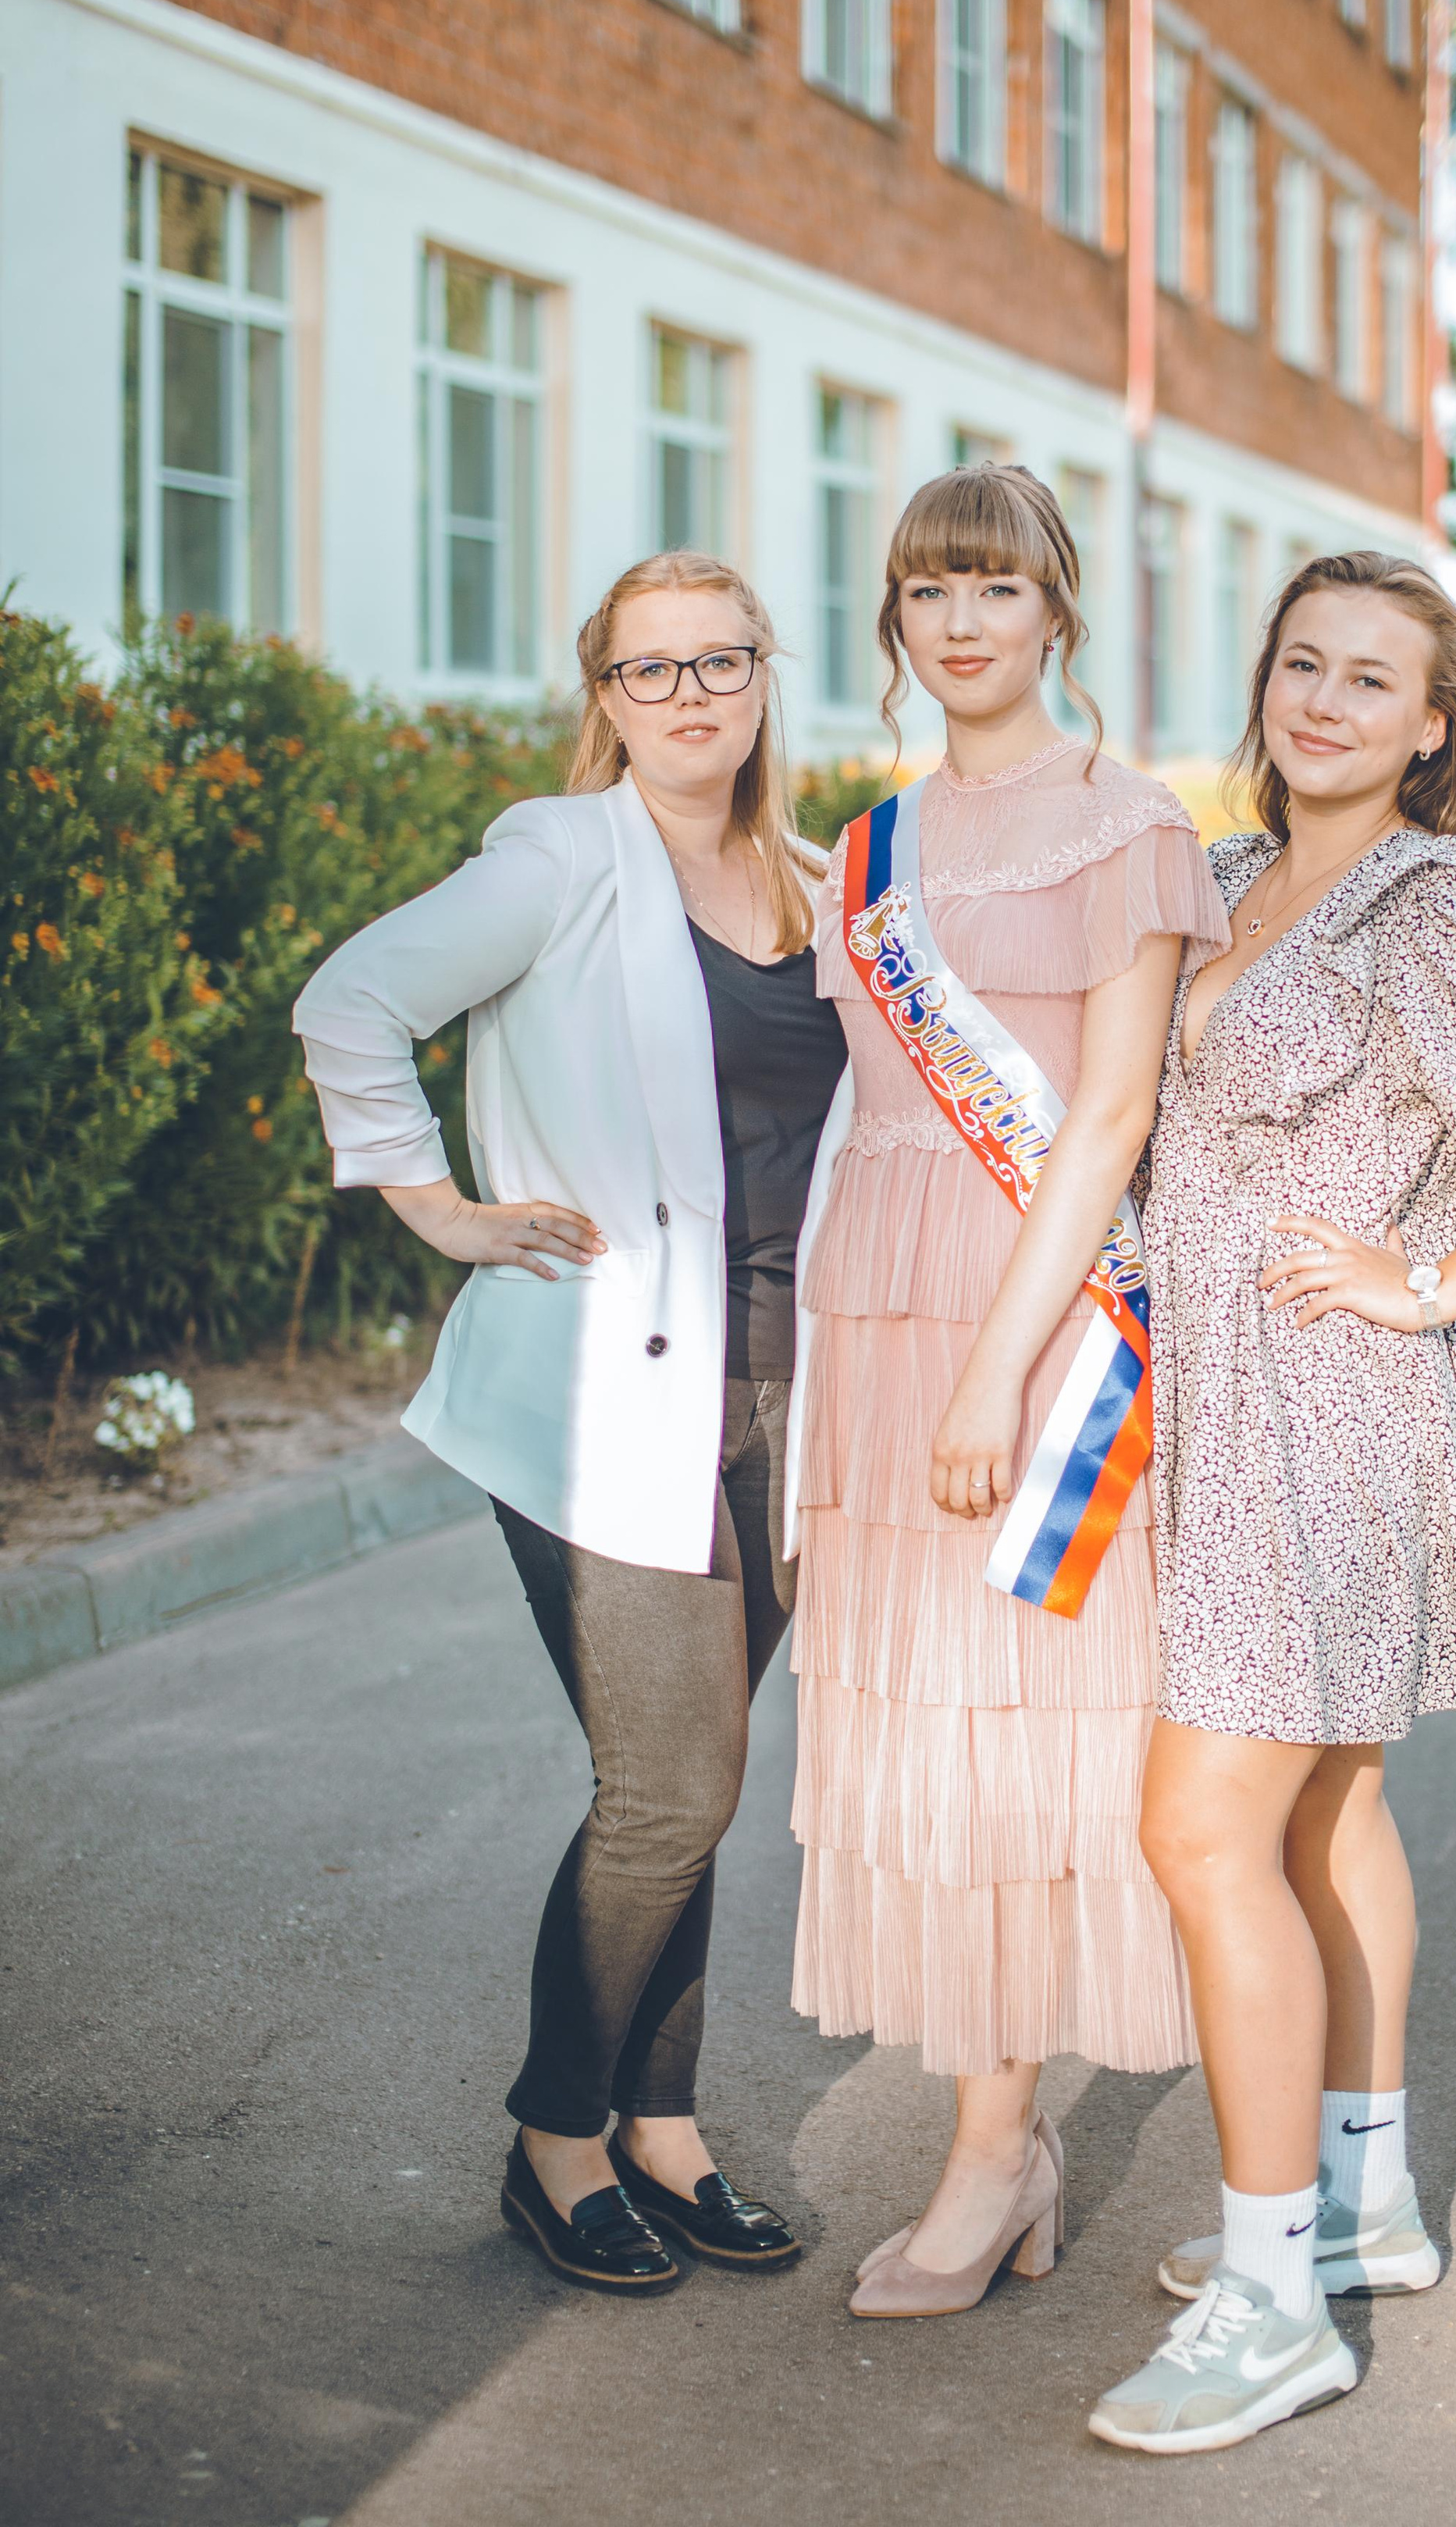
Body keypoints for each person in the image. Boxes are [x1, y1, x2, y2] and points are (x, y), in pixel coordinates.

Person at [1090, 549, 1456, 2454]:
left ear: (1432, 727)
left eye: (1372, 681)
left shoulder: (1445, 898)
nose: (1324, 702)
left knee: (1199, 1828)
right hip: (1211, 1403)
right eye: (1299, 665)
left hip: (1326, 1409)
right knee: (1326, 1790)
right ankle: (1361, 2203)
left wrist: (1425, 1283)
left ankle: (1274, 2309)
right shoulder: (1239, 876)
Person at [293, 551, 850, 2294]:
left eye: (717, 662)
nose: (686, 696)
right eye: (646, 671)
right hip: (610, 1393)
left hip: (785, 1398)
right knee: (664, 1792)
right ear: (602, 699)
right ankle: (554, 2137)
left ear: (767, 677)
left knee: (702, 1789)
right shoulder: (560, 856)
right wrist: (438, 1206)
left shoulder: (822, 889)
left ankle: (660, 2130)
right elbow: (350, 1003)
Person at [789, 465, 1232, 2316]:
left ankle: (994, 2151)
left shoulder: (1129, 828)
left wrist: (992, 1374)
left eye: (991, 588)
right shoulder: (868, 850)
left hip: (1040, 1338)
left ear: (1055, 610)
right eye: (922, 593)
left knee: (1033, 1726)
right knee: (917, 1729)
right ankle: (996, 2140)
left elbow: (1113, 1117)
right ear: (892, 624)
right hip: (875, 1321)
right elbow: (855, 1124)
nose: (957, 623)